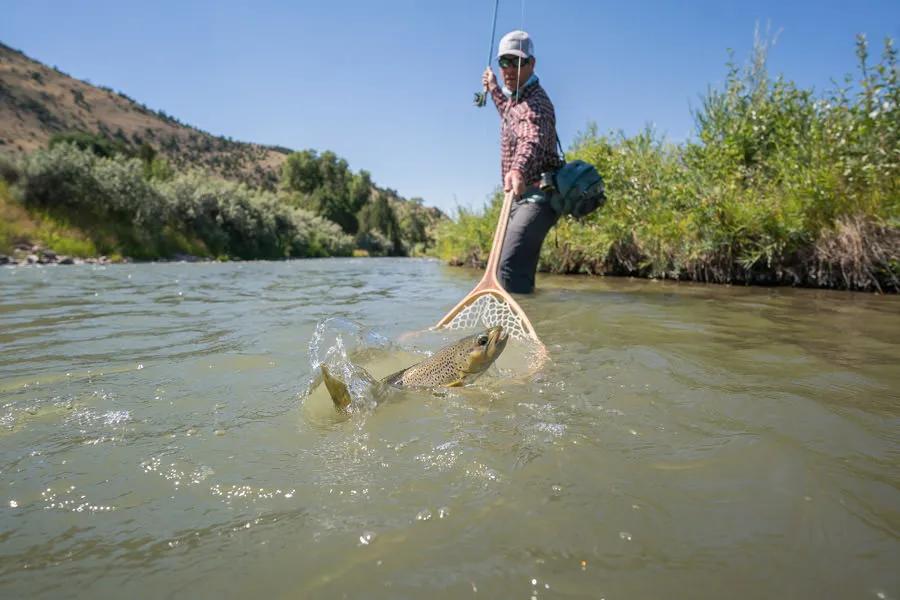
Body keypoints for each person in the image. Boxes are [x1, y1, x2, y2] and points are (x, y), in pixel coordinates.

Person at [482, 30, 563, 294]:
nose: (509, 69)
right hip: (518, 198)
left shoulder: (537, 103)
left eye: (516, 62)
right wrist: (493, 88)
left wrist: (518, 169)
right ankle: (530, 310)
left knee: (509, 267)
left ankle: (519, 318)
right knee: (506, 267)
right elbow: (507, 112)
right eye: (504, 62)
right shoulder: (515, 100)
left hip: (539, 196)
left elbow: (532, 138)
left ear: (532, 64)